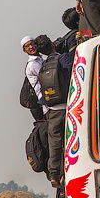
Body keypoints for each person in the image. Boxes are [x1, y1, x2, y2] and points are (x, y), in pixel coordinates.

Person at [35, 34, 74, 188]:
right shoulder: (64, 58)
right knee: (72, 140)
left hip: (52, 110)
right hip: (69, 107)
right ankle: (70, 172)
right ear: (52, 43)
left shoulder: (44, 65)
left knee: (55, 143)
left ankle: (54, 175)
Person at [21, 35, 45, 121]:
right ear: (24, 50)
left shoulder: (41, 59)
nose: (31, 47)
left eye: (32, 44)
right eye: (27, 46)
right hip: (45, 103)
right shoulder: (32, 64)